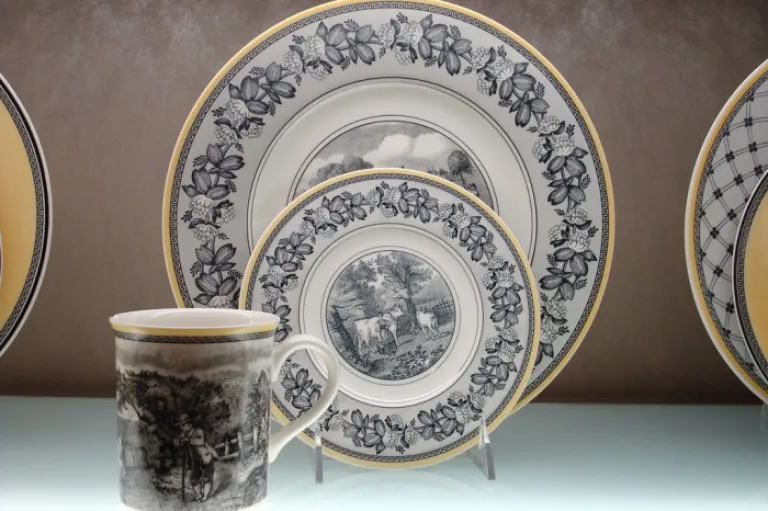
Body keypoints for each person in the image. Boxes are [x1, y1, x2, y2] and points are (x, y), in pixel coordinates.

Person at [176, 414, 218, 502]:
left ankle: (205, 496)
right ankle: (199, 495)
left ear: (189, 425)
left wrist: (189, 440)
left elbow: (201, 441)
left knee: (207, 478)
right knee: (193, 479)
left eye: (183, 425)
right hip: (195, 460)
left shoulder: (198, 431)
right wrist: (179, 441)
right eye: (180, 425)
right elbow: (178, 441)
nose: (181, 427)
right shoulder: (184, 434)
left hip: (206, 457)